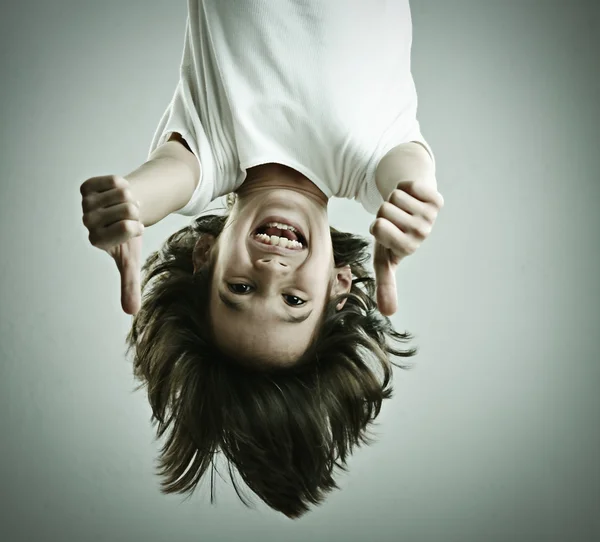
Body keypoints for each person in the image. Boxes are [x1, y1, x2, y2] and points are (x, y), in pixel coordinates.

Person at [80, 0, 444, 519]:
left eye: (240, 290)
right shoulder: (368, 162)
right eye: (295, 300)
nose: (271, 272)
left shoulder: (212, 152)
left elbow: (169, 177)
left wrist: (128, 204)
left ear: (205, 257)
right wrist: (417, 195)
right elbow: (406, 164)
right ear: (339, 284)